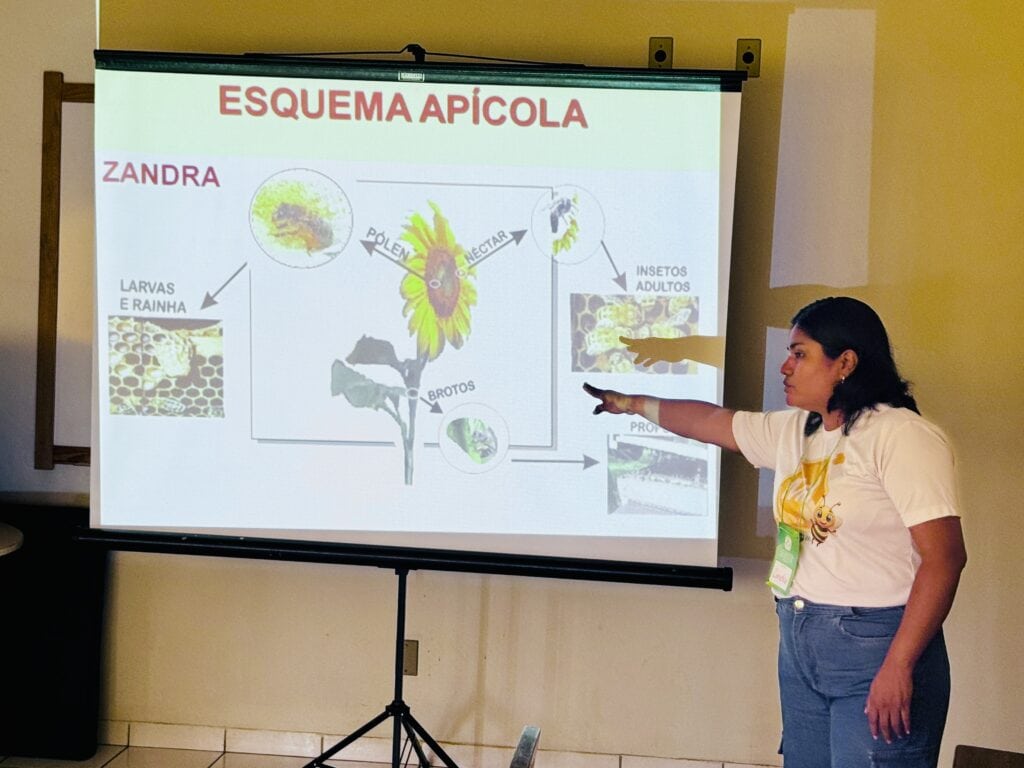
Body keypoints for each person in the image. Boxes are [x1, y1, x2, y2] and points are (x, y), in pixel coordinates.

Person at [584, 296, 966, 768]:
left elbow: (945, 558)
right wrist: (635, 404)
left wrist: (900, 664)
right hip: (801, 643)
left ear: (845, 363)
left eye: (800, 353)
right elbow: (713, 423)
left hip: (876, 649)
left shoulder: (900, 435)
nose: (785, 366)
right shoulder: (799, 430)